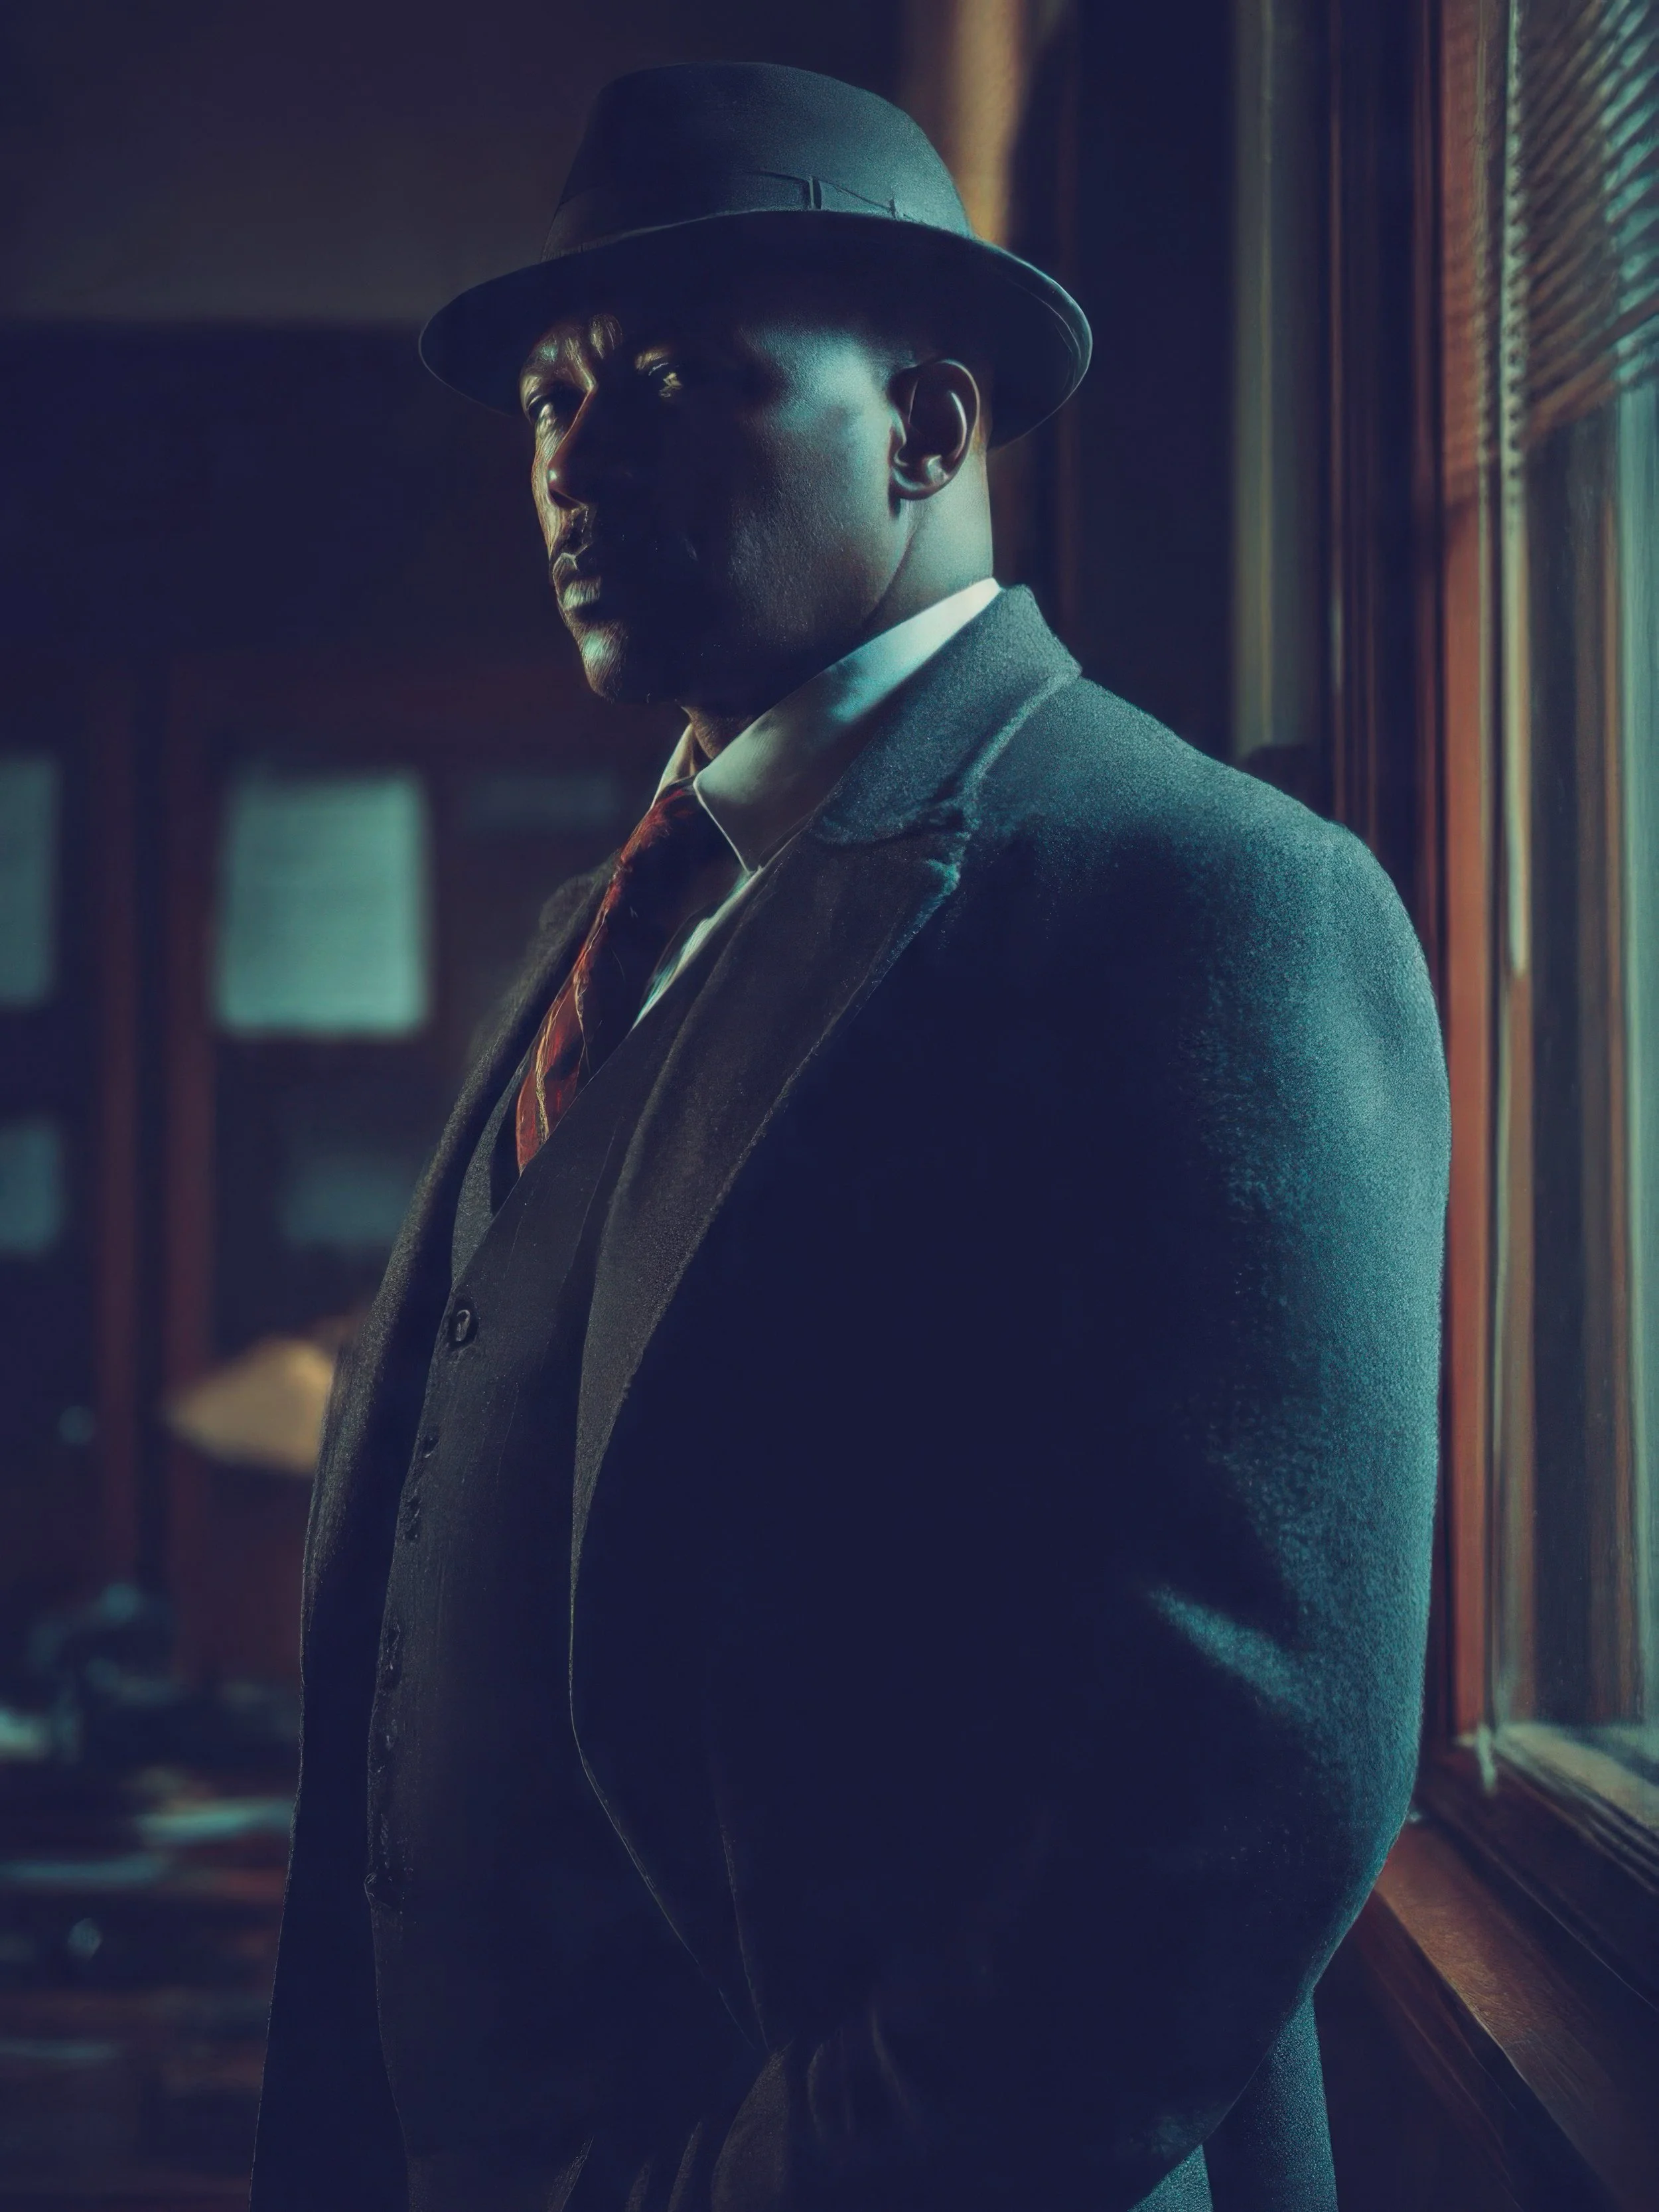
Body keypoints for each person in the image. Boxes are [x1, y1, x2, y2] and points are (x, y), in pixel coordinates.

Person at [250, 62, 1450, 2212]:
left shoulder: (1195, 897)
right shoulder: (591, 934)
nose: (572, 459)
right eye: (545, 398)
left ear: (924, 426)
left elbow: (1222, 1793)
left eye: (675, 381)